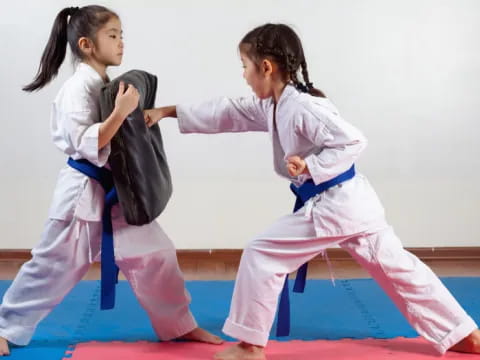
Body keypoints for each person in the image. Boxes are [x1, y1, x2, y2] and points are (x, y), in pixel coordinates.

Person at [144, 23, 480, 360]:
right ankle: (464, 333)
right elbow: (229, 111)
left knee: (262, 254)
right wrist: (167, 112)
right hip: (355, 204)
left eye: (245, 67)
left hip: (335, 204)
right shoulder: (274, 104)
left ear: (266, 67)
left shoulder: (302, 106)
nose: (244, 76)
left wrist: (311, 167)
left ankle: (250, 346)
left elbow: (352, 141)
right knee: (397, 268)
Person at [0, 5, 222, 356]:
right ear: (87, 44)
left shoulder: (108, 84)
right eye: (113, 36)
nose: (121, 44)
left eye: (122, 36)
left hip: (119, 192)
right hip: (82, 196)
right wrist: (121, 113)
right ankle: (4, 327)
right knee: (53, 265)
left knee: (157, 255)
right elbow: (88, 143)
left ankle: (179, 325)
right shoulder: (76, 89)